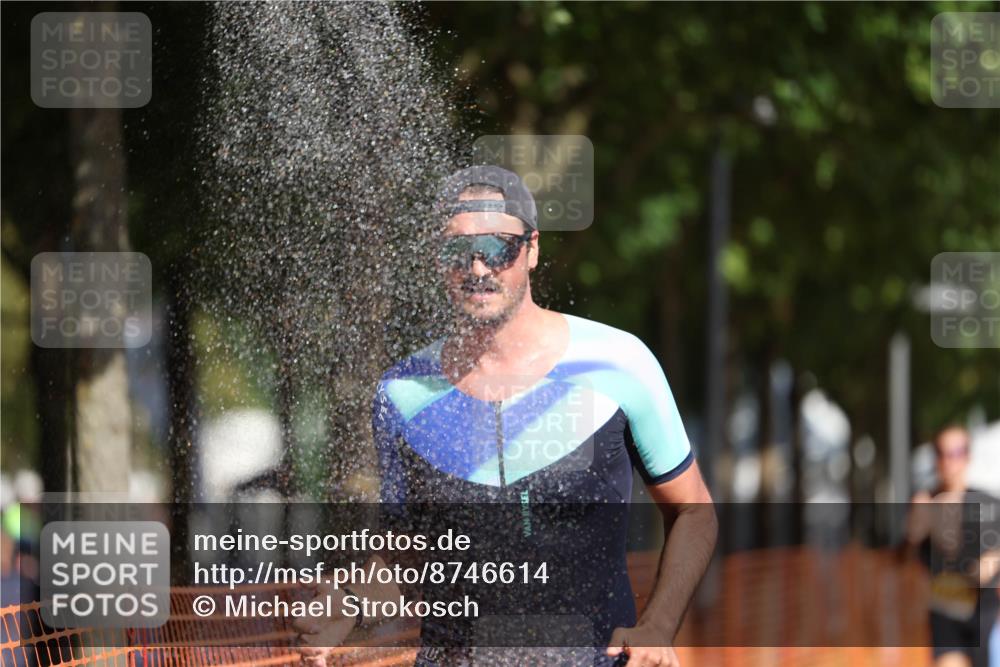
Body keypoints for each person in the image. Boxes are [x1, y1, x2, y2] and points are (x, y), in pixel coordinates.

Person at [296, 166, 717, 666]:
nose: (478, 268)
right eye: (458, 251)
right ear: (437, 259)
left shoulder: (619, 364)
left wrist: (659, 626)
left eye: (499, 247)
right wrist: (348, 606)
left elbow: (693, 510)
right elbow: (409, 554)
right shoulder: (402, 394)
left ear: (532, 249)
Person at [903, 426, 1000, 667]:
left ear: (967, 457)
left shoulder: (987, 501)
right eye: (943, 453)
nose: (949, 461)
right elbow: (903, 557)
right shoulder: (925, 502)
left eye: (957, 452)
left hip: (983, 612)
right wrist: (916, 528)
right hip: (945, 611)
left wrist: (994, 560)